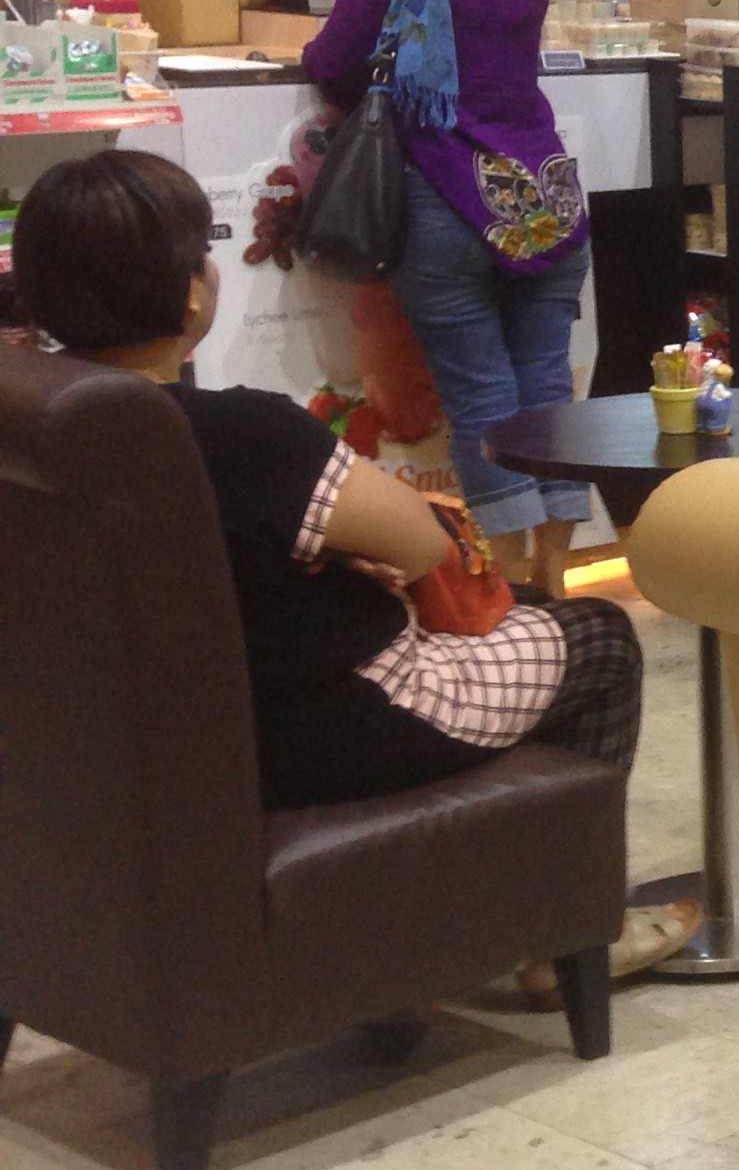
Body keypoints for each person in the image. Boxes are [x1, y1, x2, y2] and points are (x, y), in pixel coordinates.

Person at [12, 150, 690, 988]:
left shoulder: (30, 424)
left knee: (521, 616)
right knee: (598, 636)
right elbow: (423, 546)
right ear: (189, 293)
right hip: (327, 726)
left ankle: (469, 909)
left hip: (124, 749)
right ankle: (568, 942)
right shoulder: (241, 435)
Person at [304, 0, 590, 594]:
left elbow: (335, 62)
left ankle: (507, 589)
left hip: (441, 188)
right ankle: (556, 581)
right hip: (543, 191)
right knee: (547, 388)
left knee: (480, 394)